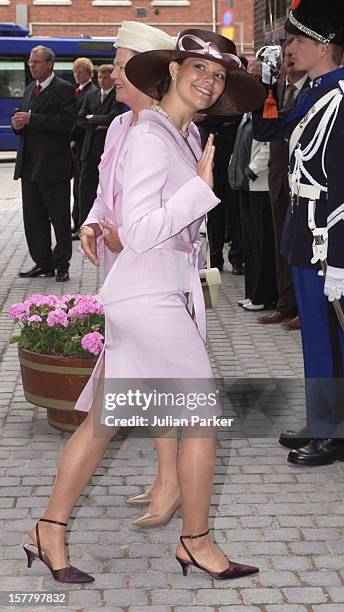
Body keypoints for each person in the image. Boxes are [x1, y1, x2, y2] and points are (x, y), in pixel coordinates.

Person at [23, 27, 265, 583]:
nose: (208, 81)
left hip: (151, 294)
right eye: (197, 69)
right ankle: (196, 542)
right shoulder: (152, 137)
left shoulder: (176, 135)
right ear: (171, 73)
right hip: (148, 296)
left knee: (104, 421)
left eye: (218, 75)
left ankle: (48, 529)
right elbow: (138, 230)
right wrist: (200, 189)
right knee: (201, 419)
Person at [253, 0, 344, 466]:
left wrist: (341, 260)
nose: (289, 48)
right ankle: (323, 421)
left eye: (296, 40)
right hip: (305, 234)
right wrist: (268, 84)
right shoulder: (316, 90)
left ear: (323, 45)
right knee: (317, 338)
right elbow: (271, 131)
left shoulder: (340, 96)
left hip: (328, 241)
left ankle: (333, 434)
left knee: (333, 339)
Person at [12, 45, 76, 282]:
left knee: (58, 218)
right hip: (29, 166)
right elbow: (23, 119)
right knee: (33, 218)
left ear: (49, 64)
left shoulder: (65, 90)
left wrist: (32, 119)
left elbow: (66, 124)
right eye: (30, 62)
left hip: (53, 167)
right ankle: (43, 262)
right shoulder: (30, 89)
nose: (32, 65)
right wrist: (17, 125)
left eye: (36, 62)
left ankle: (62, 265)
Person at [257, 42, 308, 329]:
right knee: (281, 246)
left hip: (303, 182)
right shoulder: (274, 91)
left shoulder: (314, 89)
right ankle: (284, 304)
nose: (289, 57)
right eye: (286, 53)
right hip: (278, 178)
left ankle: (304, 308)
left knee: (301, 248)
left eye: (293, 53)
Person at [77, 65, 124, 229]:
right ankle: (84, 225)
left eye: (105, 77)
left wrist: (92, 118)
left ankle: (107, 225)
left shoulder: (118, 96)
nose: (102, 80)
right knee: (85, 190)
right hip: (89, 151)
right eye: (99, 77)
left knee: (108, 190)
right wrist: (98, 122)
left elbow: (113, 118)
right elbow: (80, 119)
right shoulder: (91, 95)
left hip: (108, 150)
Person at [70, 57, 98, 239]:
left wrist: (90, 120)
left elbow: (81, 121)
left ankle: (81, 222)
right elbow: (79, 118)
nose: (77, 75)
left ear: (89, 73)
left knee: (83, 185)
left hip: (84, 145)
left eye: (80, 72)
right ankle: (76, 221)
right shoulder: (78, 91)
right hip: (76, 144)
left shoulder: (91, 92)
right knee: (77, 186)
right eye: (75, 72)